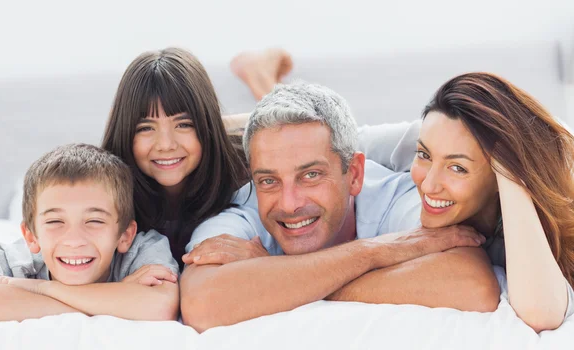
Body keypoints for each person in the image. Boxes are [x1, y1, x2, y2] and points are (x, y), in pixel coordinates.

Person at [180, 82, 501, 333]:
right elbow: (202, 303)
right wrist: (373, 253)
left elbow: (473, 285)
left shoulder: (401, 197)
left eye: (311, 175)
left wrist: (284, 281)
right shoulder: (243, 208)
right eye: (269, 181)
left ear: (355, 174)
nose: (289, 203)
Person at [0, 144, 179, 322]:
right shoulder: (12, 259)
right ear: (31, 236)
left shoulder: (144, 249)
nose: (74, 241)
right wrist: (113, 301)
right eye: (55, 221)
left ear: (125, 235)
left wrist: (45, 288)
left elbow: (161, 306)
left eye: (94, 221)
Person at [102, 48, 249, 267]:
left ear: (205, 124)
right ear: (126, 131)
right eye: (145, 127)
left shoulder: (244, 169)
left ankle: (259, 76)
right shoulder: (103, 189)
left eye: (184, 124)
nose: (166, 145)